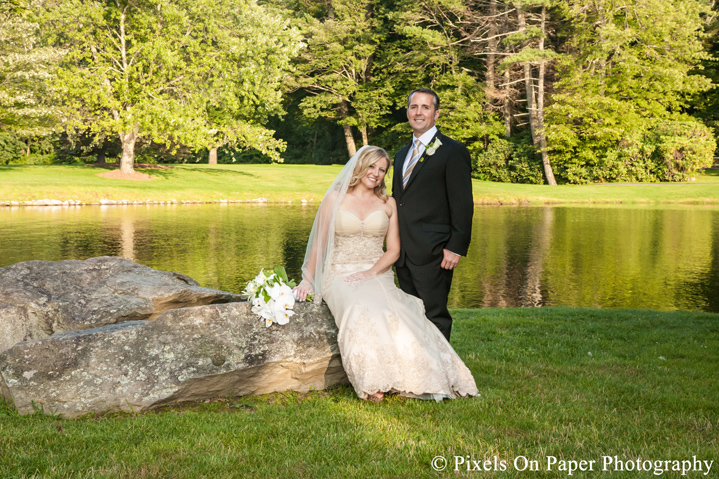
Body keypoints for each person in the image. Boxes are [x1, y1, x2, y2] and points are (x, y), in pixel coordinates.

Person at [293, 145, 477, 403]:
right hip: (340, 273)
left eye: (382, 170)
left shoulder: (388, 203)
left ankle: (418, 375)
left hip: (376, 272)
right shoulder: (335, 199)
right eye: (371, 166)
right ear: (359, 166)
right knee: (358, 309)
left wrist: (371, 272)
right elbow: (320, 244)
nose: (376, 174)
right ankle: (372, 382)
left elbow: (393, 251)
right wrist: (307, 279)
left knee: (398, 313)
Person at [392, 88, 474, 341]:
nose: (419, 112)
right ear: (407, 113)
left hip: (435, 251)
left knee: (434, 314)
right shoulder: (401, 154)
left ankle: (443, 372)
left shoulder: (453, 151)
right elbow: (400, 202)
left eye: (425, 107)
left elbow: (462, 203)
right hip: (402, 252)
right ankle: (417, 368)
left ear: (436, 113)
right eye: (414, 107)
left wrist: (455, 247)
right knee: (410, 313)